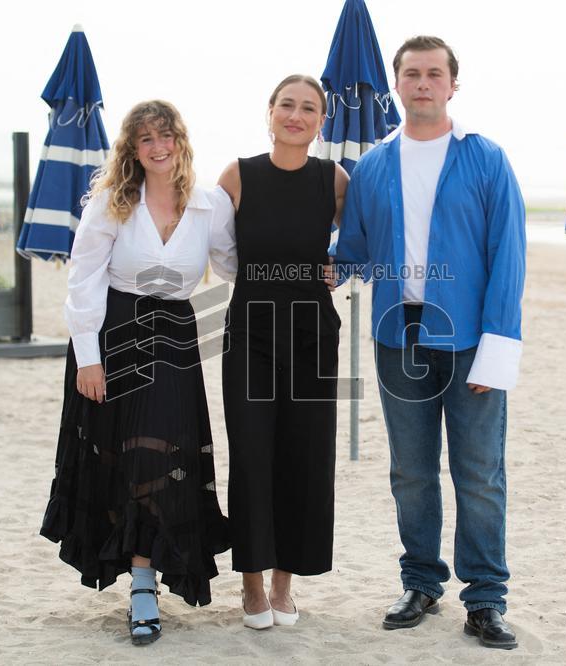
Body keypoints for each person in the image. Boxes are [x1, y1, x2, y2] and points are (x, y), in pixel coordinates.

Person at [335, 36, 526, 649]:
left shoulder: (486, 158)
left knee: (479, 472)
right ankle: (420, 581)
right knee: (412, 472)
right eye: (412, 73)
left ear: (451, 85)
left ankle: (486, 598)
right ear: (398, 84)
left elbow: (509, 257)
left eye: (433, 74)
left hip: (471, 337)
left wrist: (499, 349)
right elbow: (353, 253)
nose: (422, 82)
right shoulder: (372, 166)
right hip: (399, 334)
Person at [40, 100, 235, 646]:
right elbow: (84, 278)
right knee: (126, 460)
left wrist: (297, 263)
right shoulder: (111, 202)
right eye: (145, 138)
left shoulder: (209, 203)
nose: (157, 146)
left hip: (175, 334)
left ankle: (148, 570)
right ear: (132, 147)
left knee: (163, 455)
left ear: (180, 139)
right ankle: (142, 585)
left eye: (165, 135)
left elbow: (232, 262)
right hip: (115, 333)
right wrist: (87, 357)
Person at [216, 74, 349, 629]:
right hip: (251, 331)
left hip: (313, 333)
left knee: (304, 458)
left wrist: (344, 265)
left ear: (322, 122)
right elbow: (220, 252)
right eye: (287, 105)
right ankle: (250, 585)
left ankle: (283, 585)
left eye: (309, 108)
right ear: (269, 113)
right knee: (251, 456)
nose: (296, 116)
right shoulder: (238, 175)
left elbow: (366, 238)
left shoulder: (334, 179)